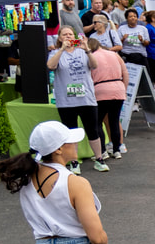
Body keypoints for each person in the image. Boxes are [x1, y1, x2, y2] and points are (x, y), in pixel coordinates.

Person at [46, 26, 109, 173]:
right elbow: (50, 66)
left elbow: (94, 65)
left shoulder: (82, 51)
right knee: (71, 132)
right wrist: (61, 49)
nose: (68, 36)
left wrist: (87, 49)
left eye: (70, 34)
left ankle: (99, 158)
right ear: (59, 38)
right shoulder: (55, 53)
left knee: (92, 129)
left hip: (86, 98)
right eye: (64, 34)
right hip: (66, 101)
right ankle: (74, 162)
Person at [85, 38, 129, 160]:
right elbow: (125, 73)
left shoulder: (91, 57)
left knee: (97, 122)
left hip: (100, 90)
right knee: (114, 121)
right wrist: (123, 89)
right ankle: (116, 150)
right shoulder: (114, 54)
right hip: (118, 89)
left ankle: (102, 151)